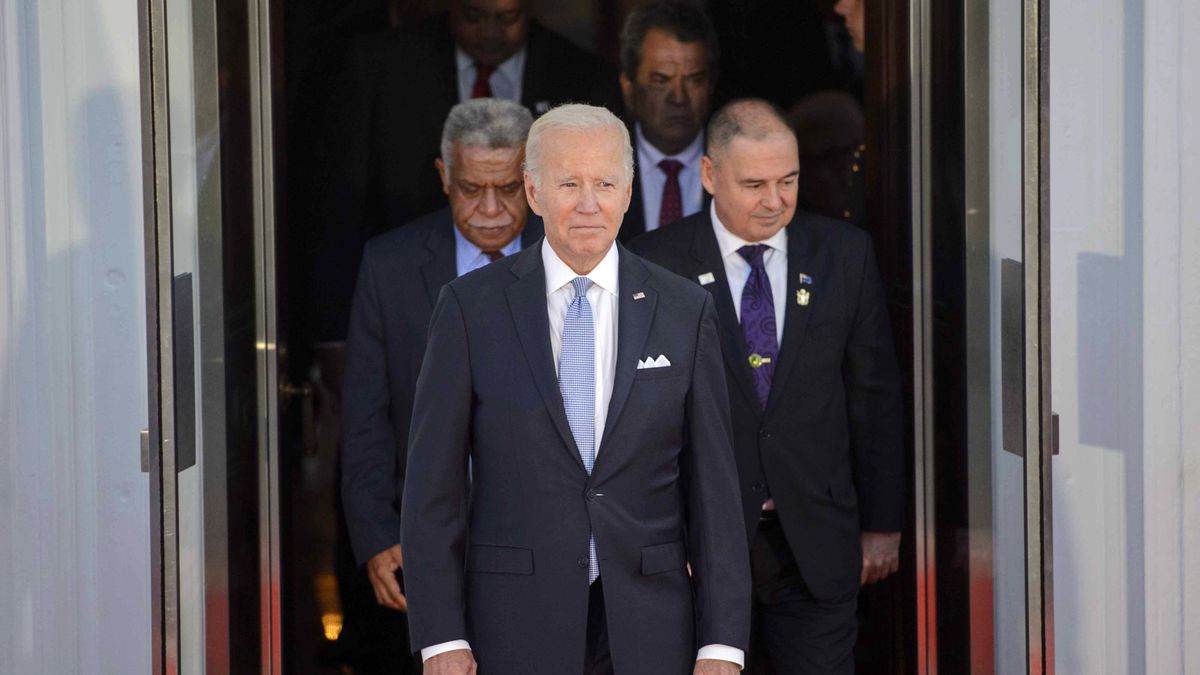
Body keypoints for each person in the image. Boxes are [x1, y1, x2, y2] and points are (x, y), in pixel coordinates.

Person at [400, 104, 751, 675]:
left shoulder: (686, 310)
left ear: (629, 192)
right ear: (533, 192)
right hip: (512, 624)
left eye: (605, 183)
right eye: (569, 183)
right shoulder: (469, 309)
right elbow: (431, 492)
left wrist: (721, 644)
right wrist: (441, 638)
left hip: (650, 626)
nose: (589, 204)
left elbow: (714, 491)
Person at [629, 99, 904, 674]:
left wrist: (882, 523)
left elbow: (873, 395)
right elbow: (641, 420)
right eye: (753, 183)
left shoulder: (843, 255)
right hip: (702, 544)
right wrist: (661, 537)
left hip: (815, 537)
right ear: (709, 176)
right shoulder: (655, 265)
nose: (774, 200)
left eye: (788, 180)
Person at [339, 98, 542, 670]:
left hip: (550, 541)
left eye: (508, 189)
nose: (491, 210)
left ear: (533, 180)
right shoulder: (391, 265)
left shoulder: (573, 254)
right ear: (443, 176)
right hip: (429, 538)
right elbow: (365, 416)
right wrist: (376, 534)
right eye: (472, 188)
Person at [312, 0, 623, 347]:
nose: (489, 32)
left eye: (507, 18)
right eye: (474, 16)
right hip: (410, 304)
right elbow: (343, 204)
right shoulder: (381, 65)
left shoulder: (583, 76)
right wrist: (332, 338)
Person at [616, 2, 718, 242]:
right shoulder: (600, 167)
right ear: (628, 88)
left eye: (694, 79)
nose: (679, 97)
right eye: (661, 80)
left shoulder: (736, 167)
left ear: (710, 86)